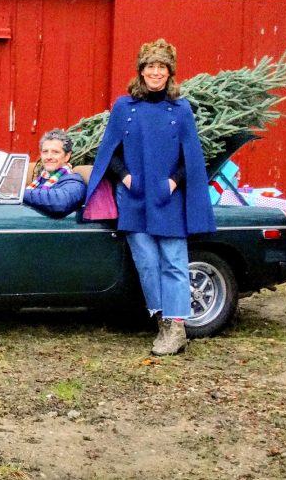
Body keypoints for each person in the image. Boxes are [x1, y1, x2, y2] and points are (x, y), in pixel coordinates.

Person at [84, 40, 215, 356]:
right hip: (134, 198)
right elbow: (109, 154)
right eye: (149, 66)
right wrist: (127, 177)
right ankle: (162, 323)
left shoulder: (181, 110)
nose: (155, 72)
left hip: (168, 200)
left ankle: (178, 327)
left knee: (173, 263)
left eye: (161, 67)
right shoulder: (123, 108)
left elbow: (191, 158)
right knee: (146, 263)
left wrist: (172, 183)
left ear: (170, 73)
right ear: (141, 71)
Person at [24, 129, 86, 217]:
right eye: (45, 152)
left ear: (67, 156)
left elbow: (61, 202)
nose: (49, 157)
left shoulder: (74, 181)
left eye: (55, 152)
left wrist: (19, 194)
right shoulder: (41, 179)